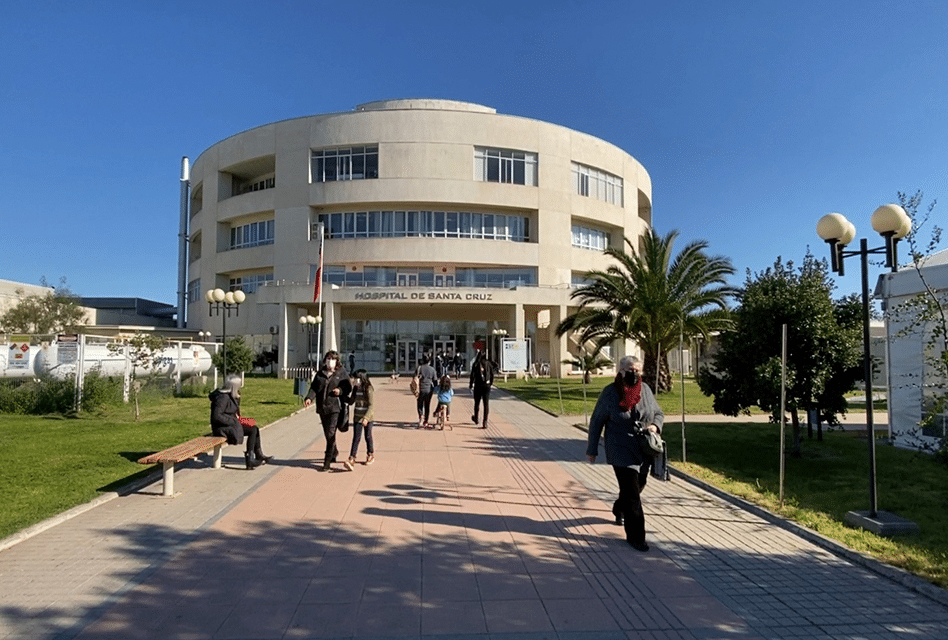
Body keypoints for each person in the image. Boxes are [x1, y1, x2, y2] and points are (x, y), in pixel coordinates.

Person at [586, 355, 664, 552]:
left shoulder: (645, 390)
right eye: (630, 369)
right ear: (620, 371)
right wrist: (592, 449)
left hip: (643, 448)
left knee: (639, 485)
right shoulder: (610, 393)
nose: (634, 373)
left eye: (638, 370)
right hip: (619, 448)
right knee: (632, 494)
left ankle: (619, 508)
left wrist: (655, 426)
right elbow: (596, 421)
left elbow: (658, 413)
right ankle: (636, 536)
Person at [209, 374, 273, 470]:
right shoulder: (223, 398)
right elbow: (216, 416)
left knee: (254, 429)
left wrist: (237, 419)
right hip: (222, 428)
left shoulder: (230, 396)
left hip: (230, 425)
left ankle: (257, 455)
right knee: (252, 430)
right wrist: (233, 421)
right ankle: (250, 459)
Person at [304, 350, 351, 471]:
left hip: (335, 408)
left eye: (333, 359)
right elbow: (314, 387)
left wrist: (340, 390)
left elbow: (348, 386)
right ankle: (334, 451)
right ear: (325, 360)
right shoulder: (320, 373)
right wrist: (309, 398)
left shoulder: (341, 372)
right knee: (327, 434)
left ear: (337, 361)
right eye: (328, 359)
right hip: (322, 408)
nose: (330, 362)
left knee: (331, 434)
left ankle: (327, 462)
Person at [344, 369, 375, 470]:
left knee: (368, 436)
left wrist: (366, 418)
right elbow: (351, 401)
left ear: (362, 378)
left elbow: (371, 406)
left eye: (356, 378)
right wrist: (342, 397)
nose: (354, 380)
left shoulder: (368, 389)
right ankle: (352, 458)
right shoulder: (356, 389)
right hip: (357, 417)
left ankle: (370, 454)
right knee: (356, 438)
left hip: (367, 418)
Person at [469, 350, 494, 428]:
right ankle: (485, 421)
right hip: (486, 386)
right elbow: (492, 375)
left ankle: (476, 418)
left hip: (478, 385)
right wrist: (490, 384)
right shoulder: (489, 364)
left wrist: (471, 385)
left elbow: (472, 375)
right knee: (486, 404)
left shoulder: (476, 364)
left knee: (477, 403)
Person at [414, 355, 438, 428]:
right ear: (429, 362)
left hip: (420, 388)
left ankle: (420, 416)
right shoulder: (432, 369)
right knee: (427, 405)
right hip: (429, 389)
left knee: (420, 403)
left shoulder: (419, 368)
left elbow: (415, 378)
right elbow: (435, 381)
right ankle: (426, 421)